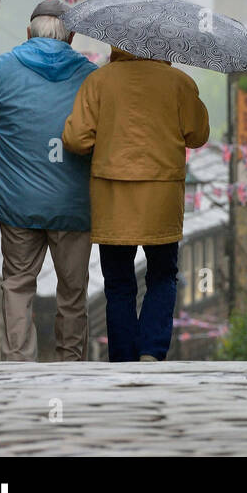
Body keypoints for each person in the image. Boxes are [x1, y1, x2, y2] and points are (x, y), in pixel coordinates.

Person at [0, 0, 97, 361]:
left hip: (17, 200)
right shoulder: (89, 76)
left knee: (17, 284)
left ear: (27, 33)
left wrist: (5, 156)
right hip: (74, 203)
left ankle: (18, 361)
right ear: (71, 36)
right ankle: (71, 362)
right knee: (73, 290)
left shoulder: (0, 69)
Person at [62, 45, 208, 362]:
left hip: (113, 196)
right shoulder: (179, 82)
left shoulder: (99, 81)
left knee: (118, 282)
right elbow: (197, 135)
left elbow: (76, 139)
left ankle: (123, 357)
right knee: (162, 275)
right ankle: (152, 351)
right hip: (161, 196)